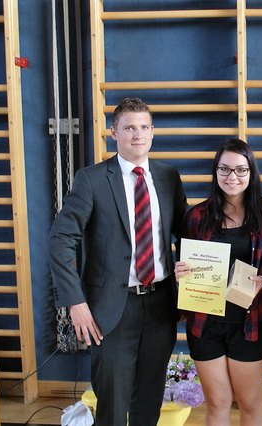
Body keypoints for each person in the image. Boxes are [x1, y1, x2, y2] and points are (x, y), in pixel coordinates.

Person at [48, 97, 189, 425]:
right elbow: (60, 241)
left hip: (160, 306)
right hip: (111, 309)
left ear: (153, 132)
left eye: (143, 127)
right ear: (114, 133)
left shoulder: (169, 177)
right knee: (111, 403)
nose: (137, 134)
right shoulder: (92, 179)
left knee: (150, 398)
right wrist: (75, 302)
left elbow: (187, 234)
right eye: (129, 128)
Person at [174, 138, 262, 425]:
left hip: (251, 322)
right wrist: (181, 271)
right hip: (204, 322)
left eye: (240, 170)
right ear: (215, 172)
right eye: (224, 169)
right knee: (218, 403)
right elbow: (185, 263)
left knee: (249, 404)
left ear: (251, 173)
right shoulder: (196, 216)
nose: (231, 177)